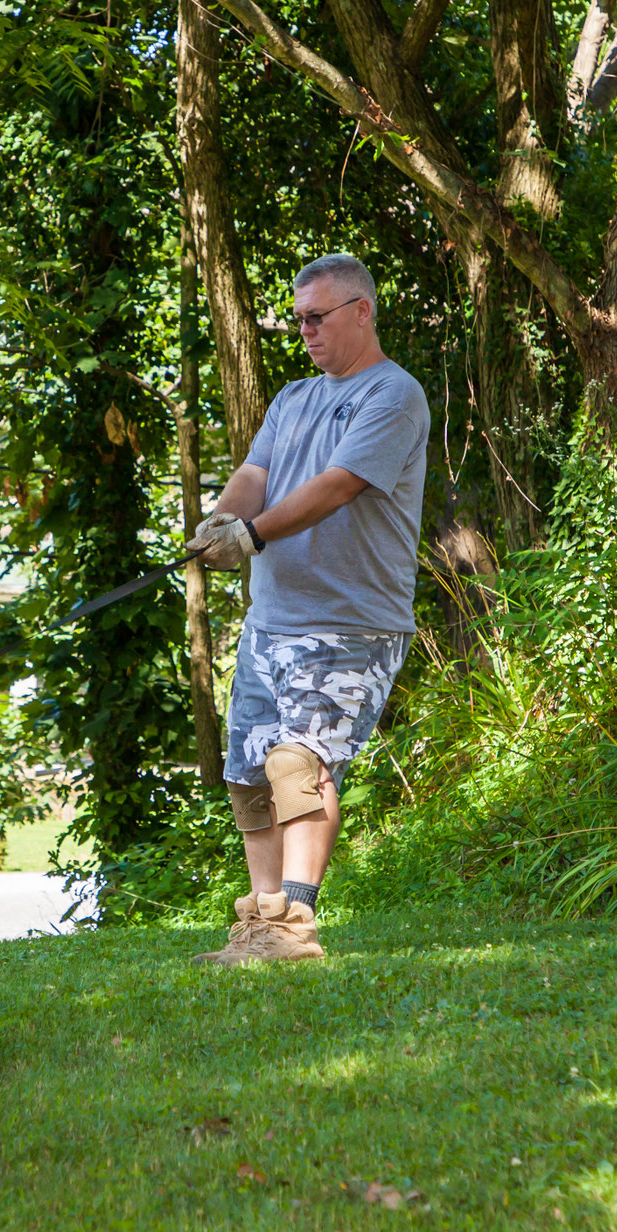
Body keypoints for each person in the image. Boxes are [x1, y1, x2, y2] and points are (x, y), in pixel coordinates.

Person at [186, 253, 429, 966]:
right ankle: (261, 924)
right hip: (272, 622)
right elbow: (255, 476)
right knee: (249, 774)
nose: (306, 332)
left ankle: (295, 924)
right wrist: (219, 522)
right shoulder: (293, 398)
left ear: (362, 311)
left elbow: (341, 483)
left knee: (299, 763)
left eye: (317, 318)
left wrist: (253, 535)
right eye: (298, 321)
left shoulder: (394, 394)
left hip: (351, 621)